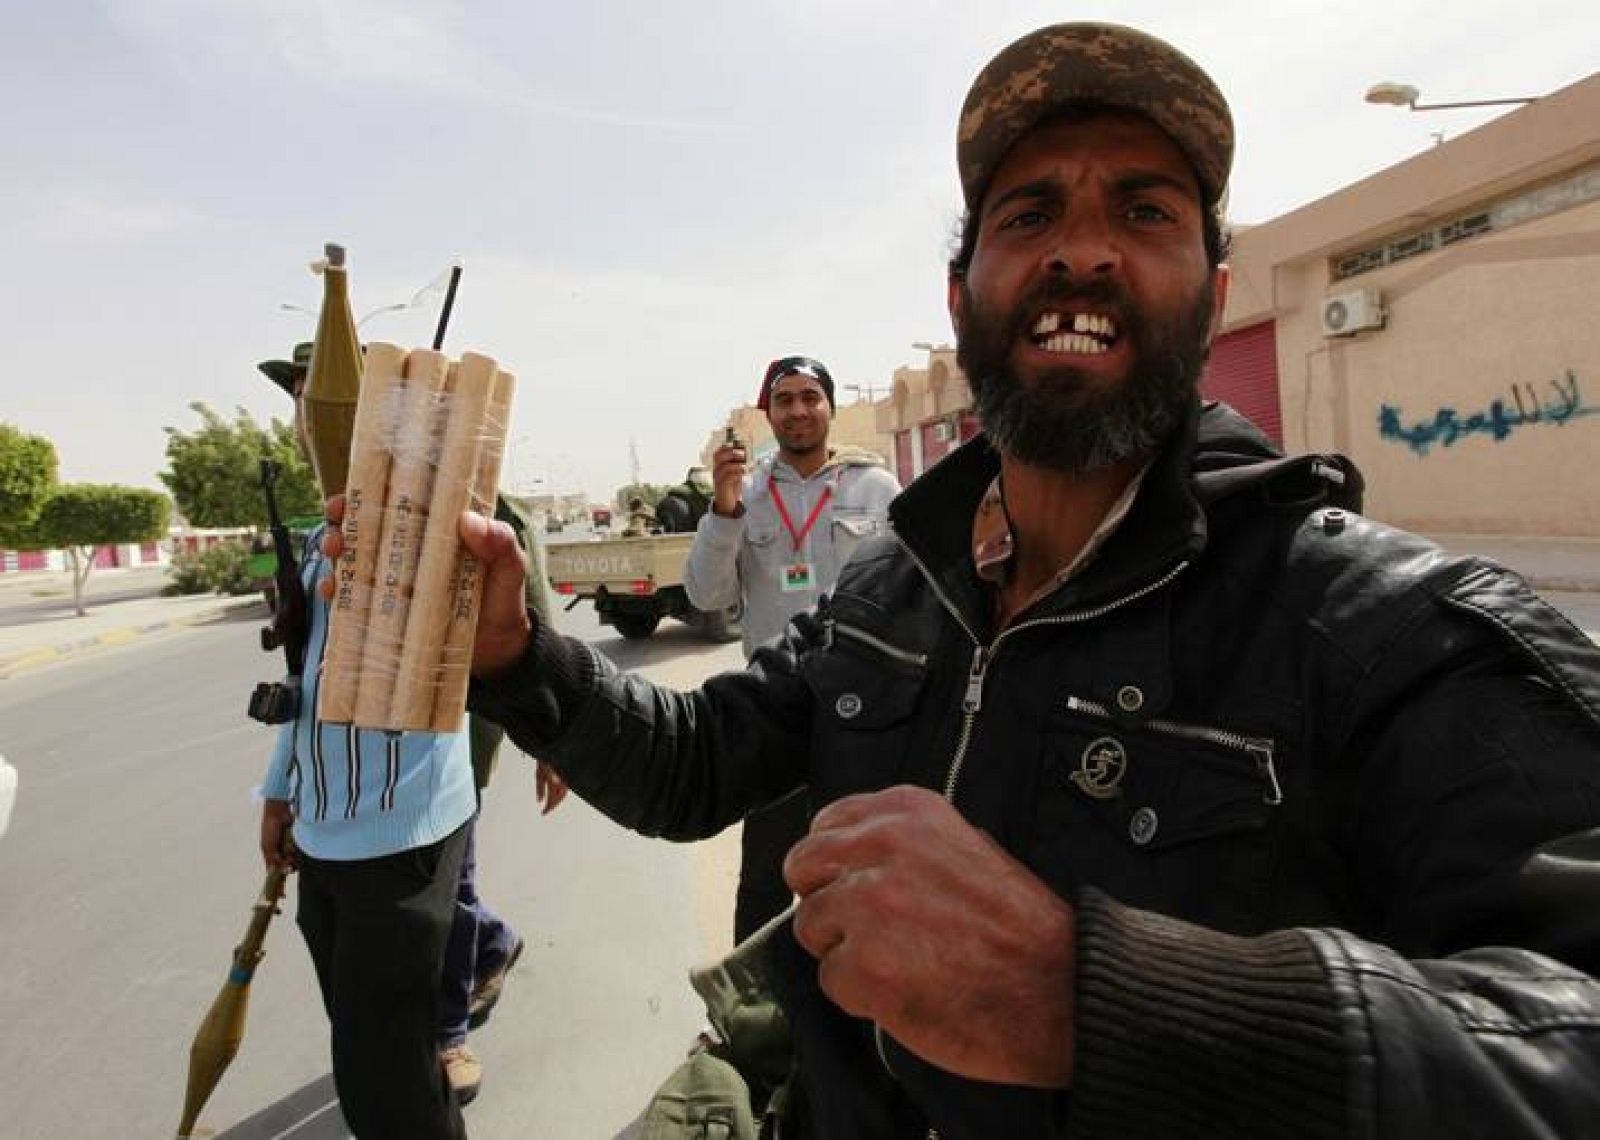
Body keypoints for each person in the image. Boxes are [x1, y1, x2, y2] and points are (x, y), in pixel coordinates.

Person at [366, 21, 1600, 1137]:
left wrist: (1105, 1003)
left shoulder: (1377, 629)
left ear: (1216, 294)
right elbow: (695, 763)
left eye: (1145, 211)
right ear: (960, 299)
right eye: (1028, 216)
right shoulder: (900, 587)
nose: (1081, 253)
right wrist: (518, 661)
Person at [258, 347, 565, 1134]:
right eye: (301, 401)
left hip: (406, 829)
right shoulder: (317, 530)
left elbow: (518, 623)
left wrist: (553, 736)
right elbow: (312, 678)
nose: (309, 415)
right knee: (381, 1055)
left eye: (324, 398)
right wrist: (279, 788)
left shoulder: (443, 509)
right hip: (323, 832)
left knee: (382, 1081)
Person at [683, 356, 899, 941]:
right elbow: (706, 594)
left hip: (865, 715)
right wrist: (724, 510)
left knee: (866, 873)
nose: (799, 410)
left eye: (811, 397)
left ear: (829, 407)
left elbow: (911, 592)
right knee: (766, 880)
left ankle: (860, 1023)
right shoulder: (744, 494)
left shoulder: (876, 489)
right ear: (767, 414)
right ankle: (745, 1026)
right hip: (775, 710)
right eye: (785, 400)